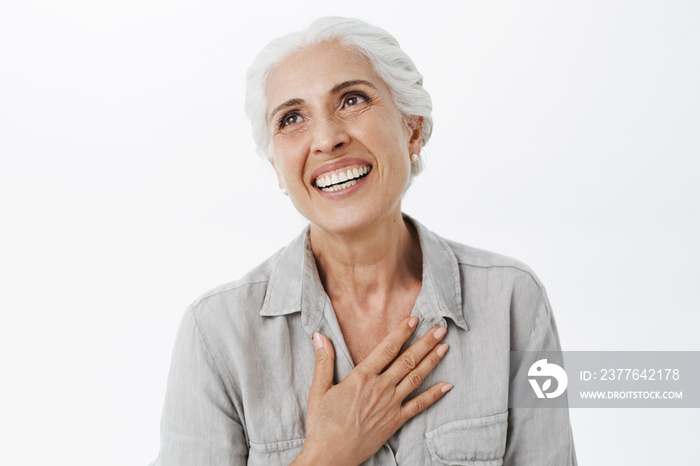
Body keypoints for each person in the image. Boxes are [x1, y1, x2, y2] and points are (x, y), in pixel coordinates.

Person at [153, 16, 577, 466]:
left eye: (352, 99)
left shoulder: (513, 300)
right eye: (292, 118)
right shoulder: (217, 333)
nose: (327, 138)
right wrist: (325, 456)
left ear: (412, 128)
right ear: (277, 167)